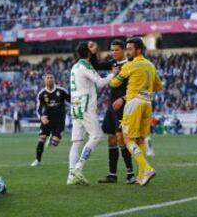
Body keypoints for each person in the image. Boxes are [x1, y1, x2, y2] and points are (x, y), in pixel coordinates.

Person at [110, 37, 164, 186]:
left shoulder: (130, 65)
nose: (127, 52)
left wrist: (115, 74)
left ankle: (146, 168)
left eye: (130, 49)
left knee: (127, 139)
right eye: (126, 49)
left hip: (133, 103)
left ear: (138, 50)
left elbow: (114, 82)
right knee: (140, 138)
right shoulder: (151, 66)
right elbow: (159, 86)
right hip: (147, 103)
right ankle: (142, 176)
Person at [67, 41, 118, 185]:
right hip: (85, 106)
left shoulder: (75, 66)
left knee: (77, 141)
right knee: (97, 136)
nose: (95, 46)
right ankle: (78, 167)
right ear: (88, 52)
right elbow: (100, 82)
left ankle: (71, 176)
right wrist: (112, 74)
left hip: (76, 106)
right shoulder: (85, 65)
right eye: (91, 46)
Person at [98, 39, 135, 184]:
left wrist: (123, 99)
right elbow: (95, 65)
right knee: (111, 138)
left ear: (124, 50)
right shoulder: (112, 64)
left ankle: (130, 173)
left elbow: (135, 88)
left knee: (121, 138)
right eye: (112, 50)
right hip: (111, 107)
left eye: (117, 50)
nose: (114, 53)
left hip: (124, 107)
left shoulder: (130, 65)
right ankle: (112, 175)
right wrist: (92, 52)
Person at [31, 73, 70, 167]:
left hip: (59, 119)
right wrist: (41, 117)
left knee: (55, 143)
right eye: (47, 78)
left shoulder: (61, 91)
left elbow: (72, 101)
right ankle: (37, 160)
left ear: (54, 79)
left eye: (51, 77)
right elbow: (38, 109)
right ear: (45, 80)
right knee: (41, 139)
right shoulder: (41, 94)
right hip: (47, 119)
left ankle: (53, 136)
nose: (49, 79)